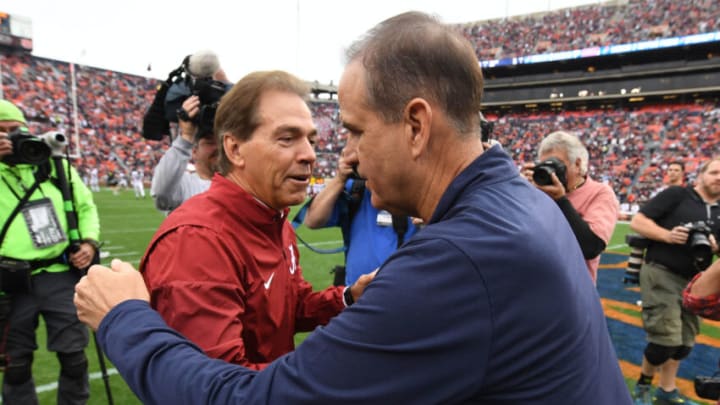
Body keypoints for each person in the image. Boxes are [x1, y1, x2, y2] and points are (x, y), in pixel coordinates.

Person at [74, 12, 631, 404]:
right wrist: (345, 300)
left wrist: (123, 319)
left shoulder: (461, 257)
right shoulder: (519, 203)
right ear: (235, 149)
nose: (341, 153)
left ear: (416, 125)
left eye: (355, 130)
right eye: (290, 137)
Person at [140, 70, 374, 370]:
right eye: (288, 138)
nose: (309, 155)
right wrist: (326, 378)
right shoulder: (197, 240)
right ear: (235, 149)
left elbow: (291, 306)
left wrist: (349, 297)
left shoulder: (273, 219)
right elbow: (216, 386)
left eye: (311, 141)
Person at [0, 99, 100, 404]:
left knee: (74, 359)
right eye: (2, 133)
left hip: (59, 274)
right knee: (15, 365)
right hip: (10, 281)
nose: (11, 138)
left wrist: (89, 242)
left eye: (16, 130)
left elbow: (85, 206)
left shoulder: (52, 163)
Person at [629, 157, 720, 405]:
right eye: (714, 172)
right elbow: (638, 221)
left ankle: (666, 391)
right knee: (664, 343)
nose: (719, 178)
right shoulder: (678, 195)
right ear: (701, 175)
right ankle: (643, 386)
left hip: (696, 282)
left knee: (683, 345)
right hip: (662, 271)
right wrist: (668, 235)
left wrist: (715, 246)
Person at [295, 136, 418, 285]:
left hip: (406, 293)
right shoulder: (356, 190)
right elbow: (313, 220)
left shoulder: (421, 189)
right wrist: (340, 178)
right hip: (357, 295)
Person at [522, 130, 619, 284]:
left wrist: (560, 200)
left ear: (578, 164)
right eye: (545, 165)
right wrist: (518, 190)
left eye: (556, 165)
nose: (550, 172)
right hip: (533, 287)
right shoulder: (535, 190)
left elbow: (591, 247)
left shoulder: (600, 193)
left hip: (573, 291)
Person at [149, 66, 230, 213]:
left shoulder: (238, 184)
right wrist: (186, 136)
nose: (218, 148)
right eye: (210, 142)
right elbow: (161, 194)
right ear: (194, 151)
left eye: (221, 142)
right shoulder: (185, 185)